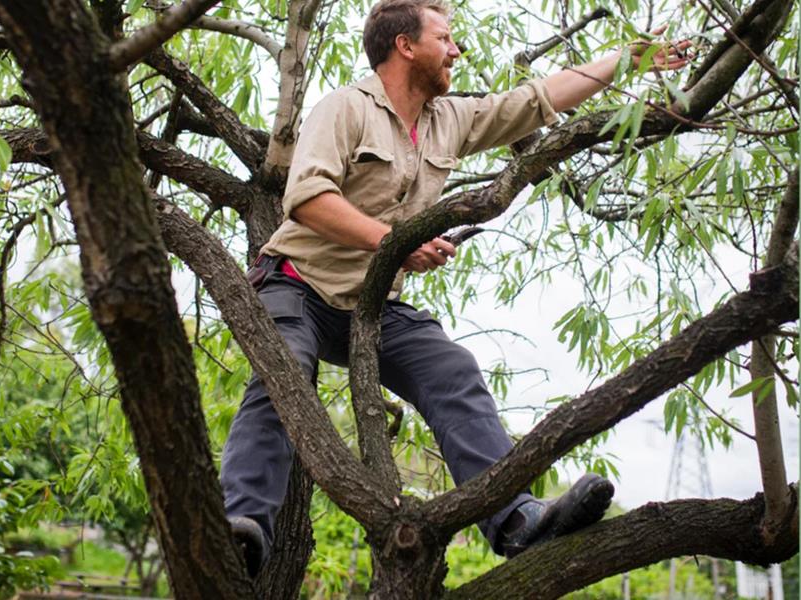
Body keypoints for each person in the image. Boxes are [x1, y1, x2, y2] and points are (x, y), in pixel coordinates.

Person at [220, 0, 691, 576]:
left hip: (370, 306)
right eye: (444, 38)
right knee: (284, 374)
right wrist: (397, 243)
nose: (457, 50)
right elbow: (307, 199)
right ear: (405, 46)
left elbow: (538, 99)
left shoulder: (449, 119)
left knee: (452, 369)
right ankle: (238, 529)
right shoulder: (344, 108)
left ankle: (515, 519)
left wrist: (629, 59)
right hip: (296, 285)